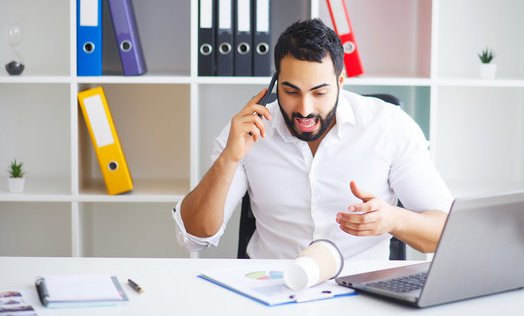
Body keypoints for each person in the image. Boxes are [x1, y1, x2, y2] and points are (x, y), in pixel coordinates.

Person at [173, 19, 453, 260]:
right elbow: (194, 237)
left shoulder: (389, 126)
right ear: (275, 83)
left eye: (319, 92)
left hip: (362, 293)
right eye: (291, 91)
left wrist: (394, 219)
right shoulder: (247, 131)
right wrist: (229, 158)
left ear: (341, 81)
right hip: (273, 287)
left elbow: (447, 234)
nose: (305, 109)